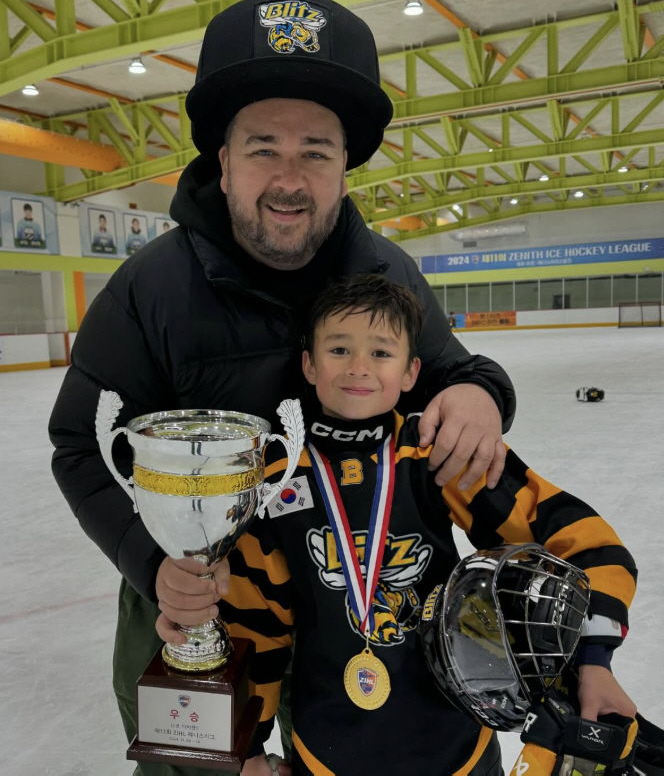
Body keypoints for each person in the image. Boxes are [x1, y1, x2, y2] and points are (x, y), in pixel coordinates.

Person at [48, 0, 518, 774]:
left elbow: (459, 373)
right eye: (263, 147)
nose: (289, 179)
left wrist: (480, 393)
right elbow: (77, 442)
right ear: (222, 160)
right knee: (192, 770)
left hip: (353, 597)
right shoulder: (149, 288)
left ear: (346, 166)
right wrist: (148, 561)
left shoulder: (385, 273)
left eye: (317, 152)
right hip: (188, 597)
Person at [208, 274, 637, 776]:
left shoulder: (437, 454)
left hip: (458, 745)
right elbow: (253, 625)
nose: (359, 368)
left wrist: (594, 661)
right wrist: (248, 748)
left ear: (412, 372)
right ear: (308, 363)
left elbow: (589, 545)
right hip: (324, 750)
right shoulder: (279, 483)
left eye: (382, 353)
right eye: (339, 349)